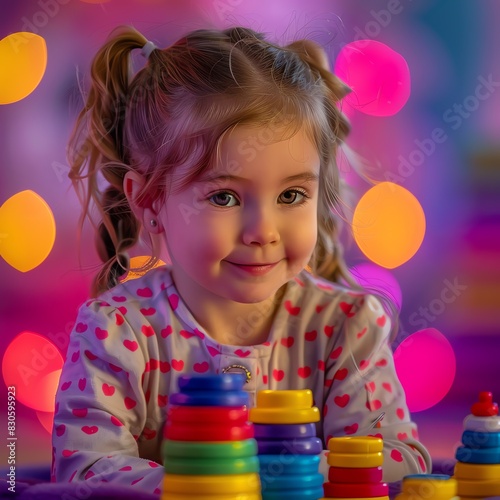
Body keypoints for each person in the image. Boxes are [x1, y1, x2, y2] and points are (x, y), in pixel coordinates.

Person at [51, 24, 432, 494]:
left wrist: (287, 474)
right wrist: (219, 483)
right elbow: (86, 472)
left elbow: (399, 456)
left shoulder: (347, 326)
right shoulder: (116, 333)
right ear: (150, 202)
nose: (263, 232)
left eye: (292, 194)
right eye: (226, 198)